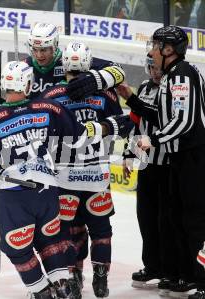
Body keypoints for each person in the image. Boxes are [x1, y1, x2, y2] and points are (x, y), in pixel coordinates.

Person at [0, 61, 132, 299]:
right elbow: (81, 136)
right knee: (51, 242)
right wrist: (110, 126)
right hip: (47, 191)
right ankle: (62, 287)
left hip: (15, 196)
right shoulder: (48, 108)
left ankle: (41, 291)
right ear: (28, 84)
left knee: (17, 248)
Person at [126, 25, 205, 299]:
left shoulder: (181, 75)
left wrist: (154, 139)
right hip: (181, 157)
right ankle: (187, 274)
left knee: (194, 220)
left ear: (168, 50)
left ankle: (201, 280)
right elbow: (163, 114)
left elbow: (184, 121)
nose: (151, 51)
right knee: (178, 218)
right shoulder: (173, 75)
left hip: (193, 157)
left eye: (155, 46)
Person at [41, 41, 123, 298]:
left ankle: (73, 276)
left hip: (65, 179)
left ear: (63, 64)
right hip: (96, 176)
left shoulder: (52, 96)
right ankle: (101, 277)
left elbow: (39, 136)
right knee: (101, 230)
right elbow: (124, 123)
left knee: (69, 231)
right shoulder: (106, 95)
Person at [118, 55, 177, 293]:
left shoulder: (174, 89)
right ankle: (153, 266)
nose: (154, 71)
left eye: (157, 67)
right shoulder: (143, 87)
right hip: (146, 164)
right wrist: (128, 153)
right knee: (146, 217)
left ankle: (171, 269)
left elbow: (167, 120)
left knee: (167, 220)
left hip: (169, 165)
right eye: (151, 67)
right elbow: (135, 122)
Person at [25, 22, 126, 100]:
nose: (38, 55)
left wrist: (93, 81)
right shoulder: (24, 66)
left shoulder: (68, 59)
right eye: (34, 49)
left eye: (43, 50)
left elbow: (118, 69)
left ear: (54, 46)